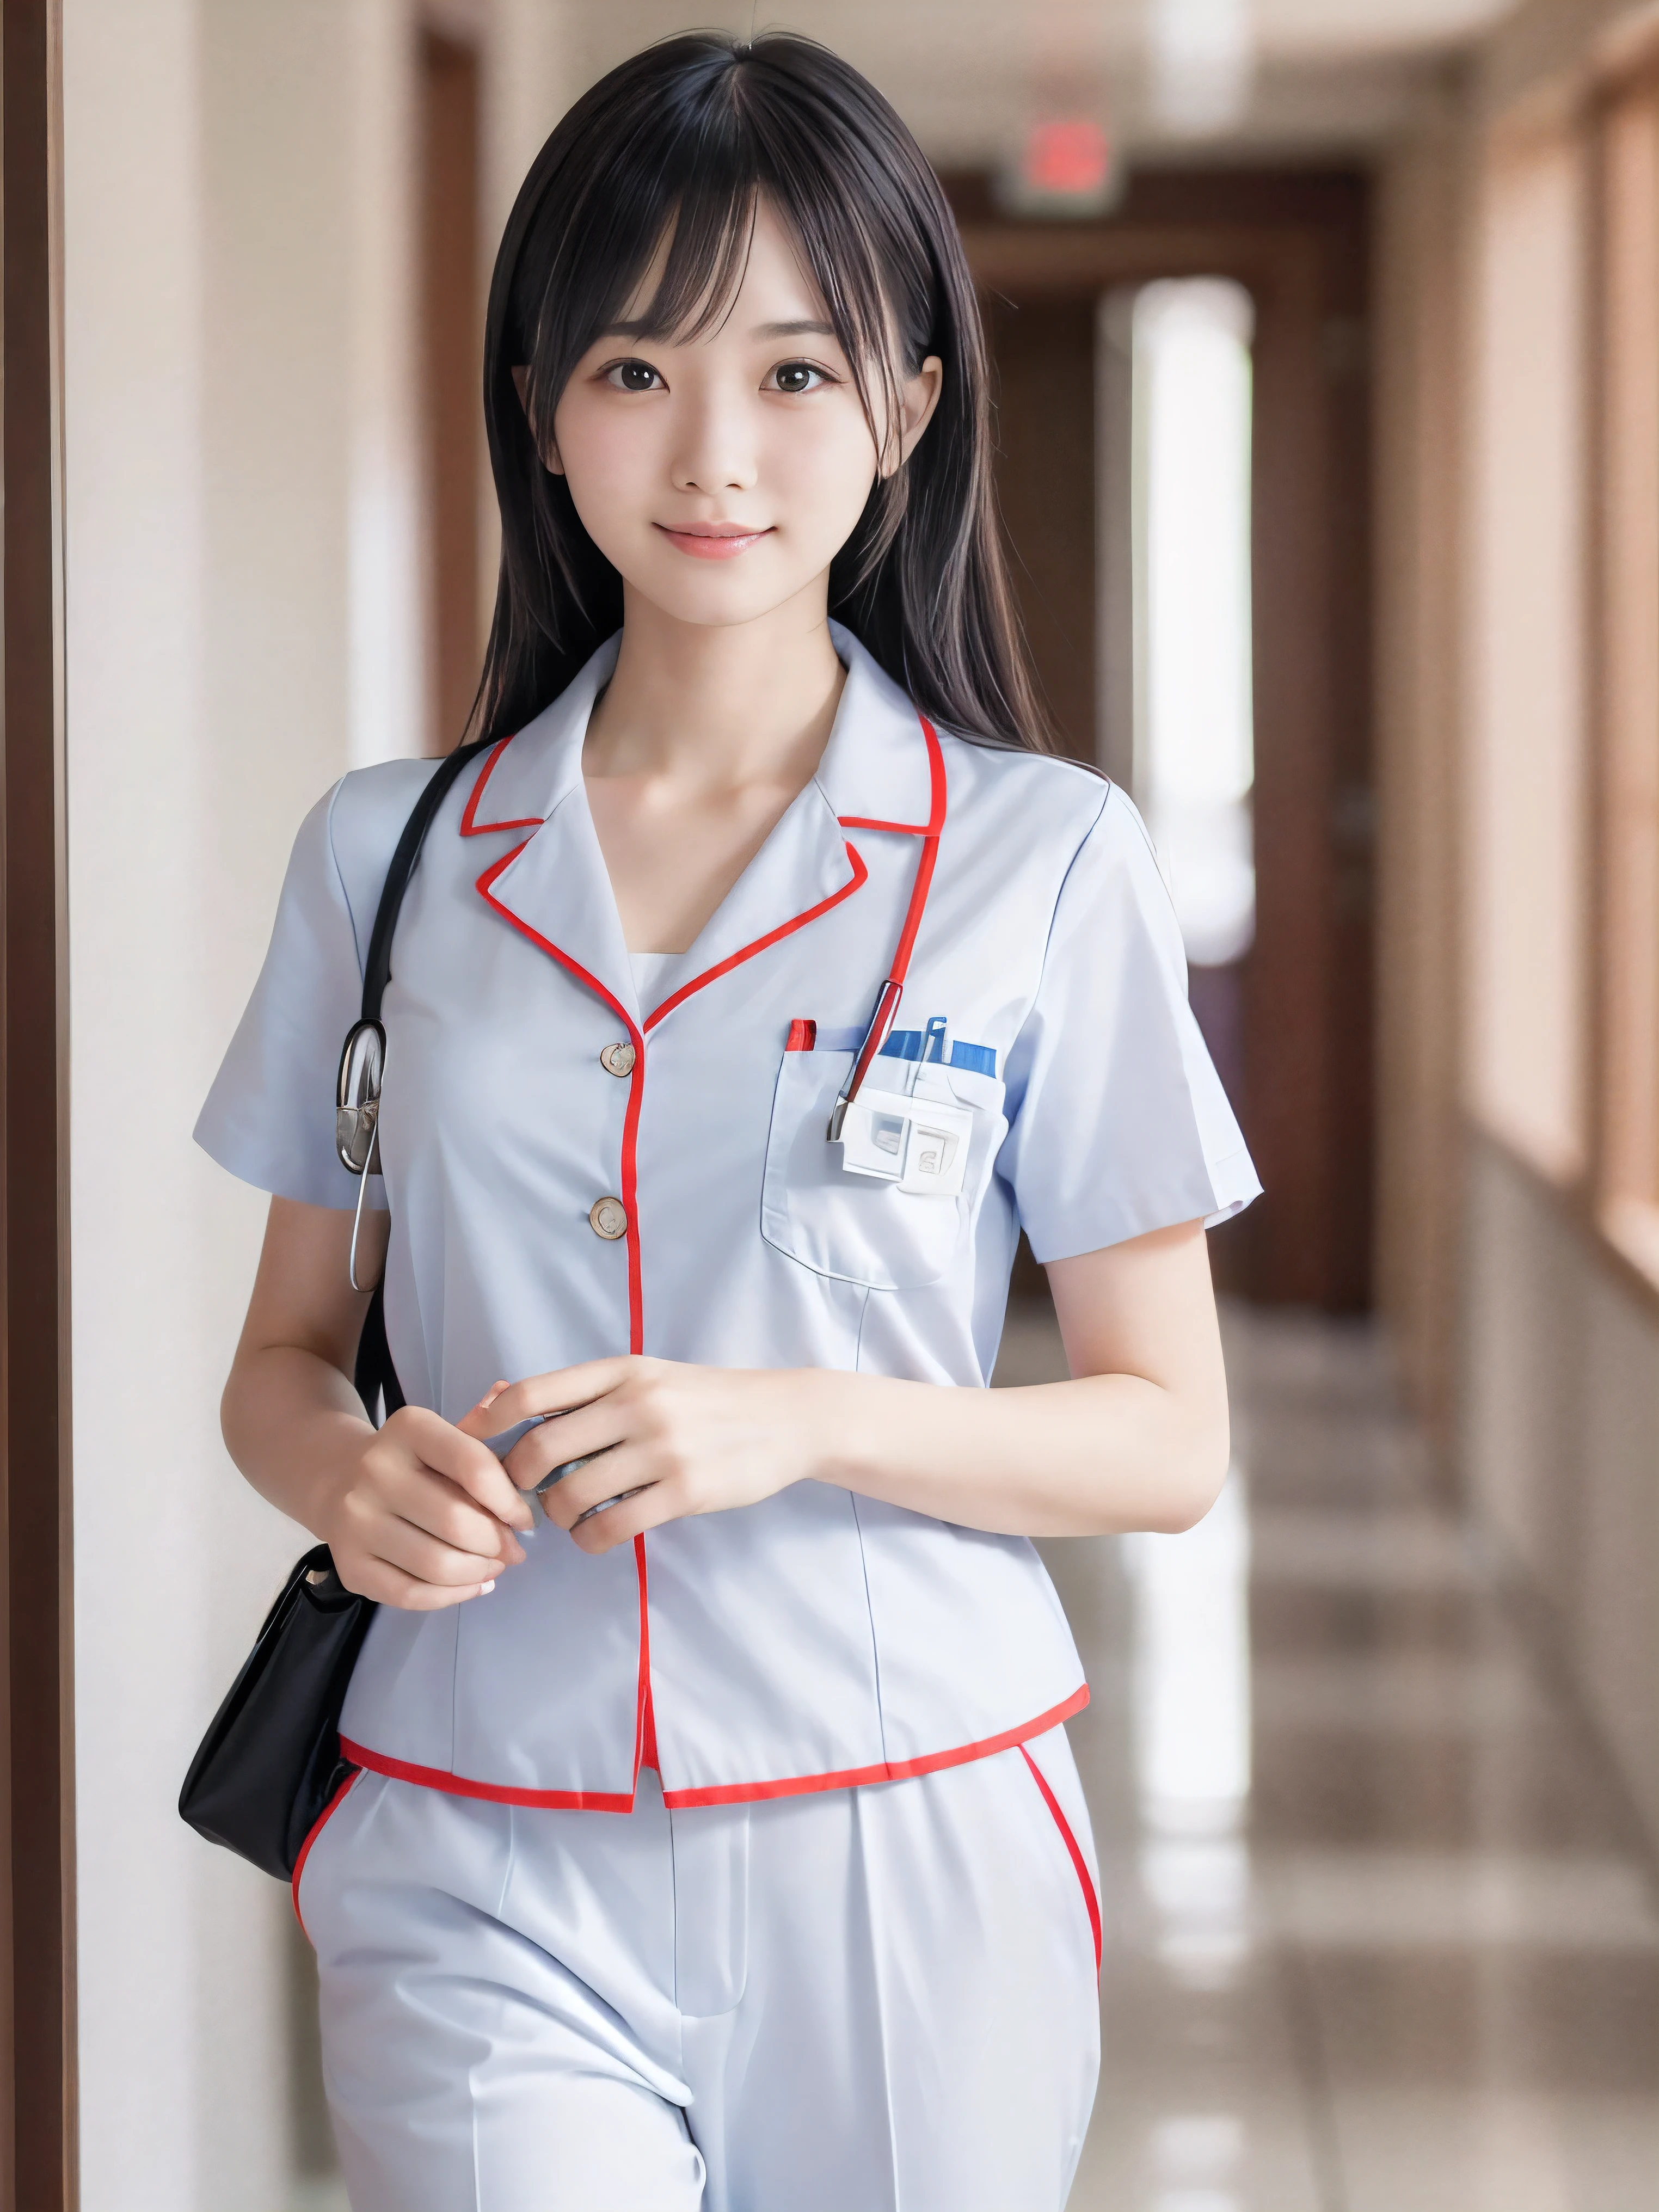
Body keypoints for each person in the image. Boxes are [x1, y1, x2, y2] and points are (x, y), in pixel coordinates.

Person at [197, 30, 1259, 2212]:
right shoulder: (385, 857)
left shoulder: (1040, 860)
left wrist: (803, 1416)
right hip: (468, 1828)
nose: (715, 453)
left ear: (908, 403)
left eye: (794, 373)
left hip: (904, 1827)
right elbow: (284, 1357)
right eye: (635, 364)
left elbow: (1167, 1433)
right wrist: (347, 1469)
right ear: (537, 401)